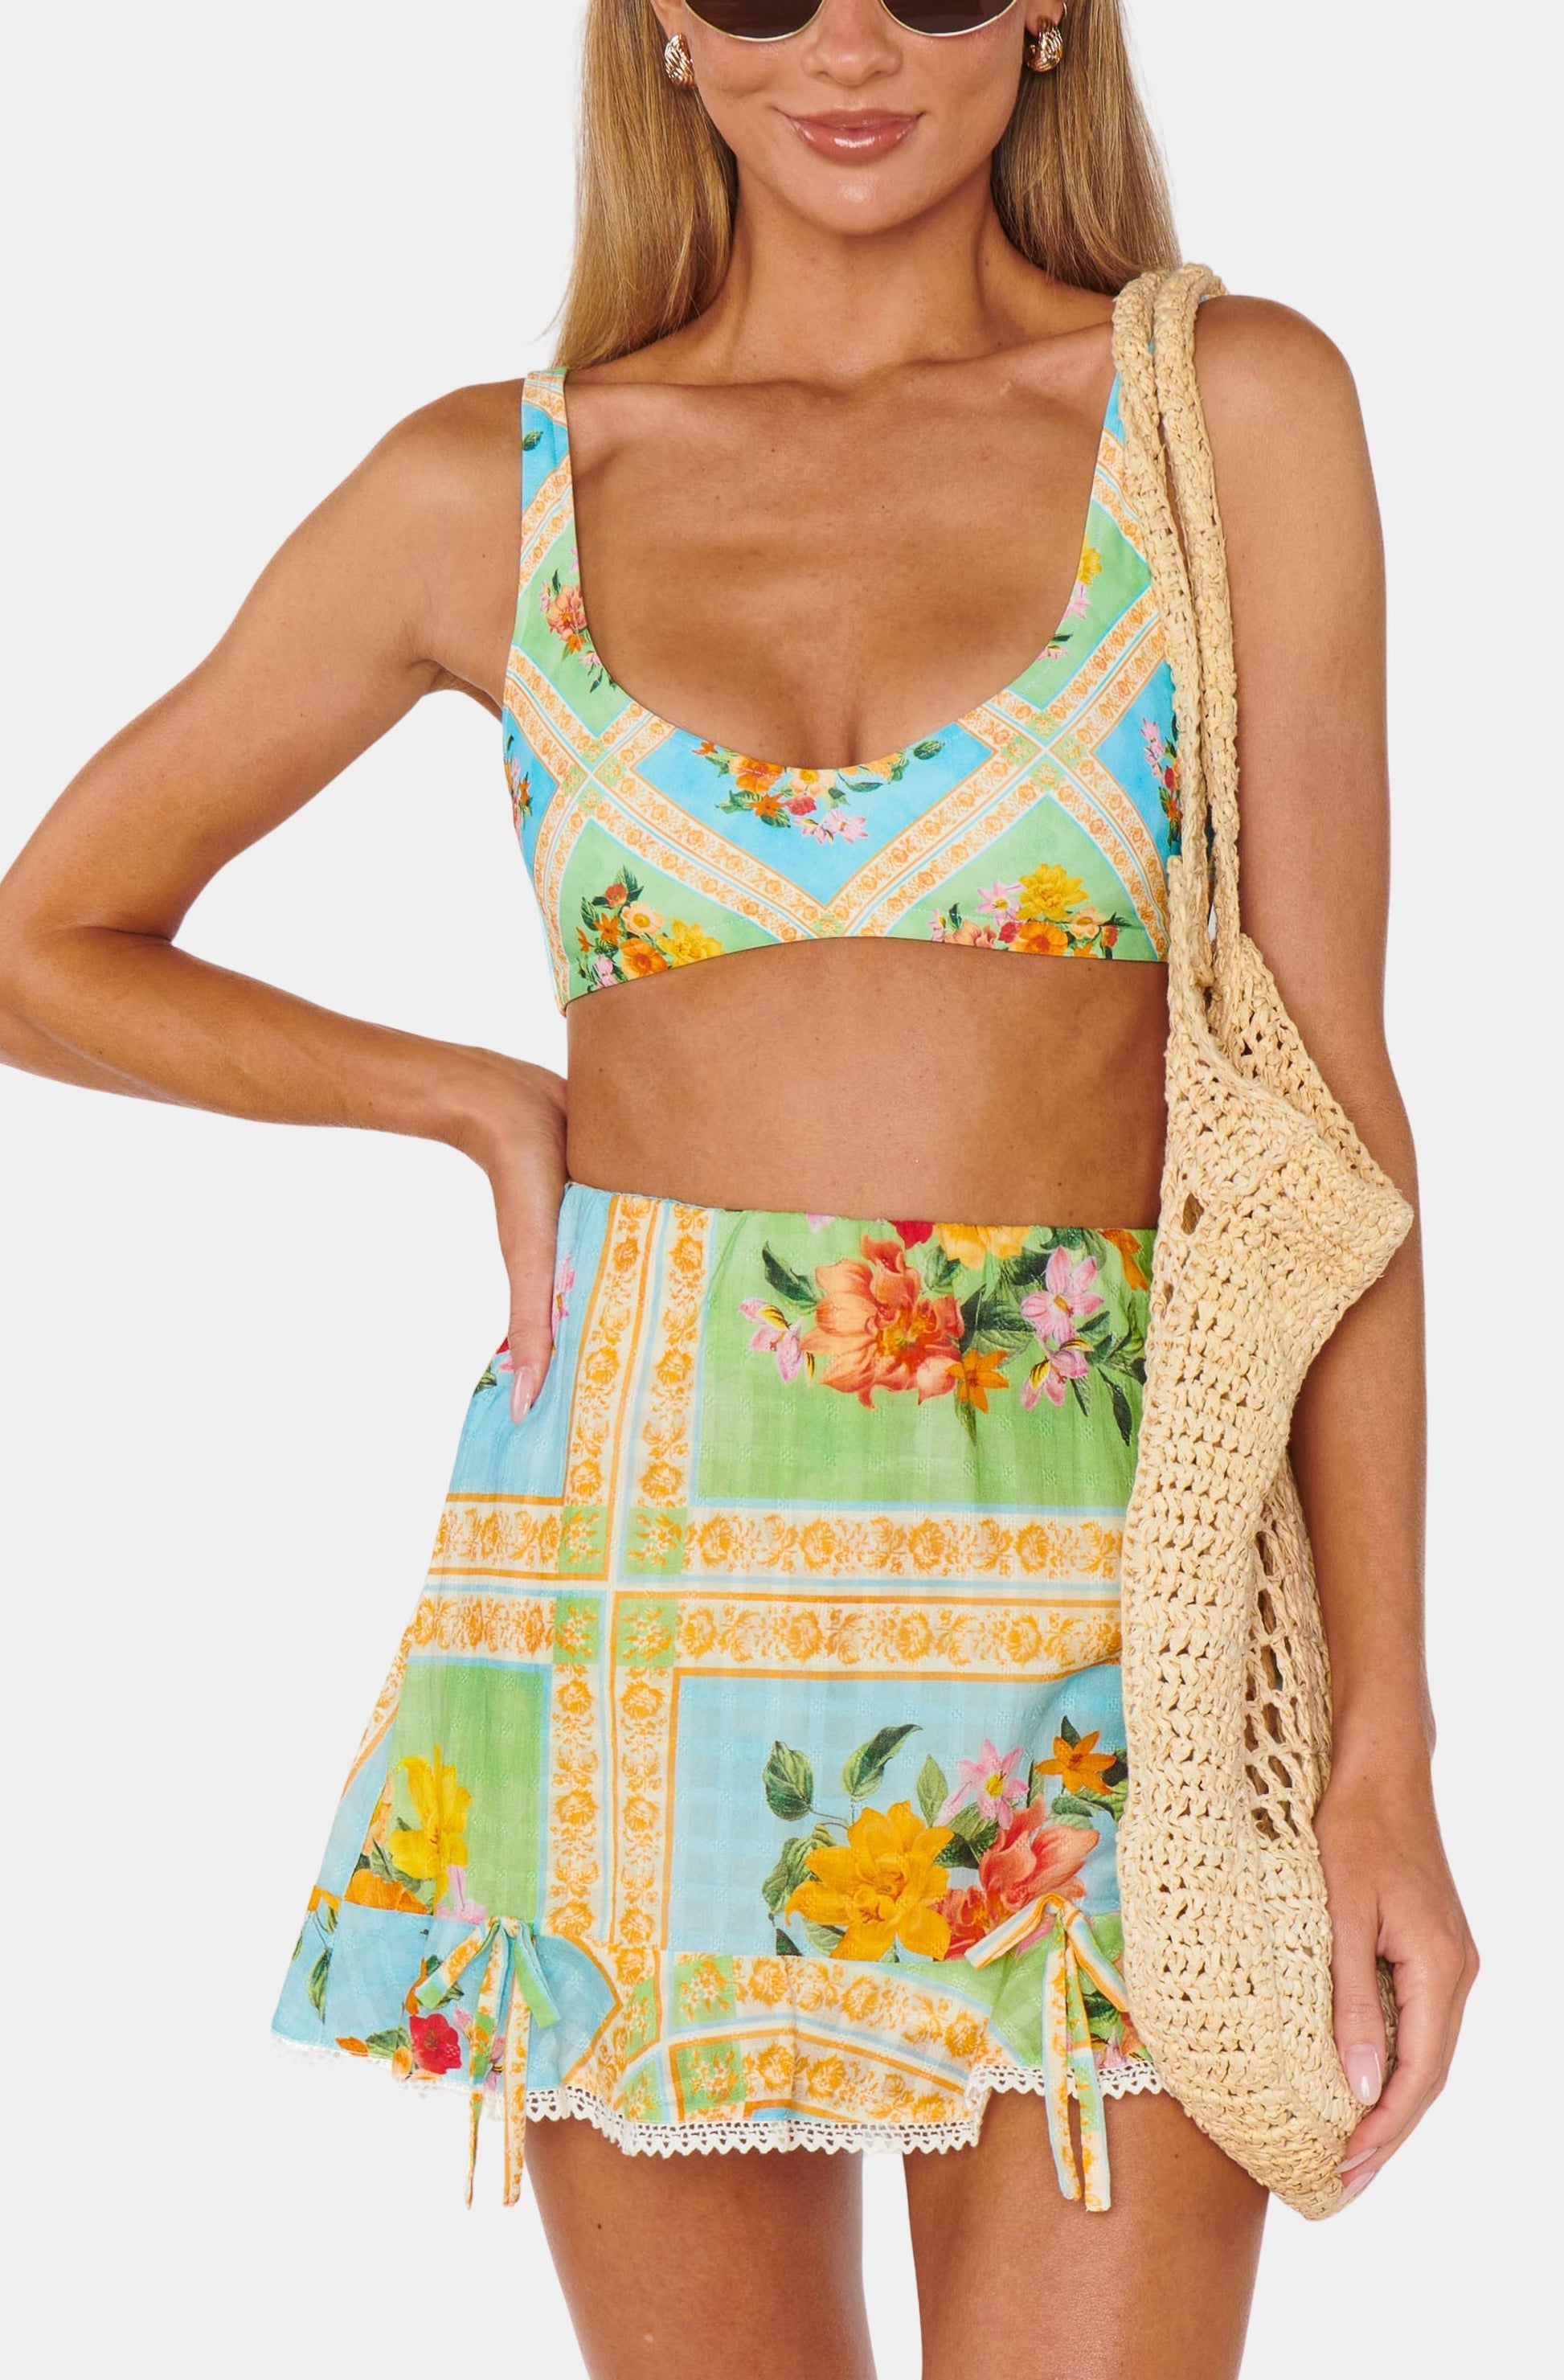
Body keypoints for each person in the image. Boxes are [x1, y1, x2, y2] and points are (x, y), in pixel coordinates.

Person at [0, 5, 1475, 2374]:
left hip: (1124, 1611)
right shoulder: (489, 488)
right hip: (632, 1588)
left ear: (1050, 13)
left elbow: (1327, 1116)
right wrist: (468, 1098)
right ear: (669, 32)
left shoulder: (1225, 419)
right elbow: (46, 943)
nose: (849, 43)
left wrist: (1384, 1743)